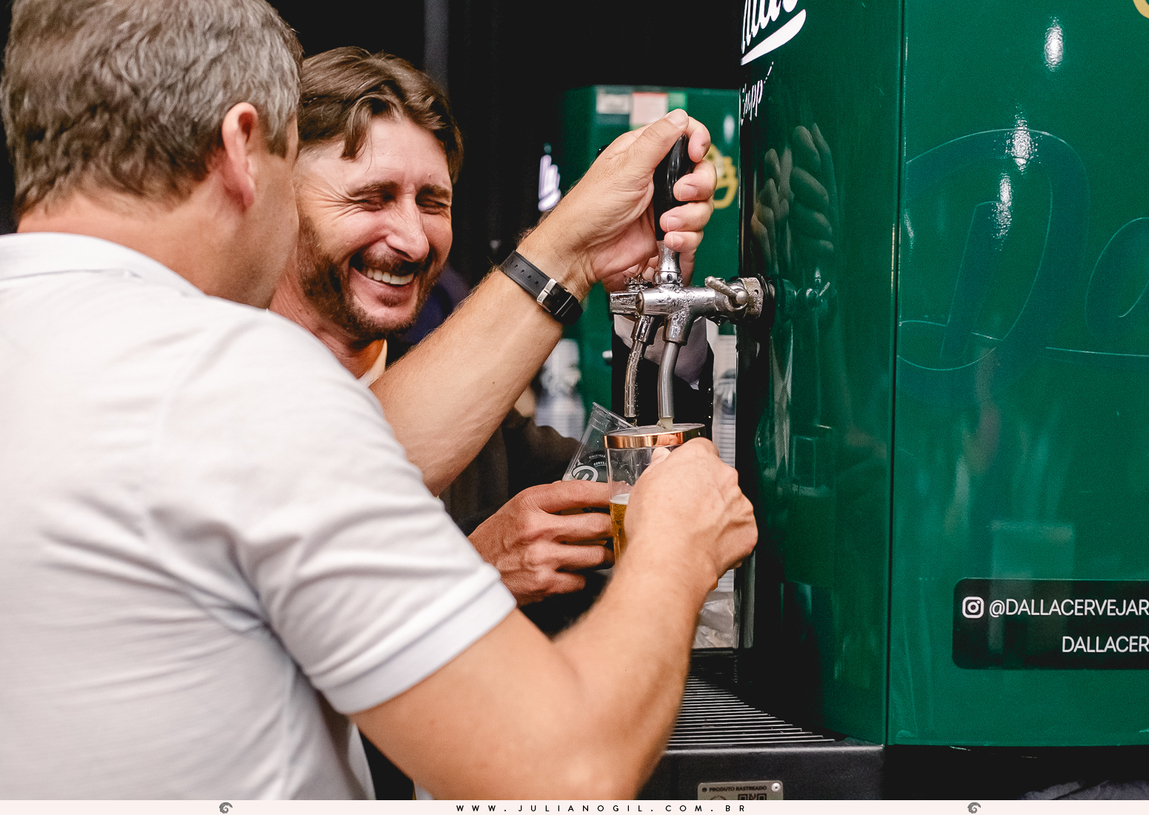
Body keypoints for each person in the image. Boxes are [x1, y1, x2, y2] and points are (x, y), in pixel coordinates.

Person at [0, 0, 756, 801]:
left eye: (432, 201)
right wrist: (676, 542)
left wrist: (574, 245)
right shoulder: (234, 378)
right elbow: (565, 765)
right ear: (241, 147)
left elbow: (361, 444)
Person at [270, 48, 610, 608]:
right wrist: (473, 574)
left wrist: (646, 326)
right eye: (370, 198)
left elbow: (619, 498)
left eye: (432, 202)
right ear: (277, 202)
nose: (414, 239)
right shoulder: (215, 393)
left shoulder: (474, 413)